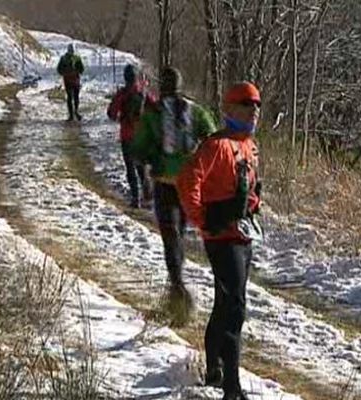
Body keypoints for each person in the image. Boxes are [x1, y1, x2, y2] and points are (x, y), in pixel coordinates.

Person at [177, 82, 263, 400]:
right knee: (235, 309)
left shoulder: (250, 145)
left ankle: (214, 368)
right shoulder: (217, 145)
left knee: (225, 303)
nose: (253, 110)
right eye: (246, 104)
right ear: (229, 109)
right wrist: (204, 221)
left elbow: (248, 189)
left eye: (256, 105)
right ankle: (232, 388)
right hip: (223, 238)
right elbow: (188, 181)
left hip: (242, 234)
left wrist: (253, 204)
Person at [130, 67, 216, 316]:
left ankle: (177, 289)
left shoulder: (153, 114)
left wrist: (148, 167)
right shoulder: (196, 111)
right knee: (179, 232)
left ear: (163, 86)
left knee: (171, 236)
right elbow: (212, 140)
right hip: (190, 185)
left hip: (164, 184)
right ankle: (177, 283)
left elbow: (137, 148)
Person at [107, 64, 156, 208]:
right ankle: (148, 195)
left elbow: (111, 113)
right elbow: (157, 106)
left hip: (126, 135)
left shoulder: (122, 94)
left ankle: (135, 198)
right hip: (142, 135)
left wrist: (119, 117)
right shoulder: (144, 92)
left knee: (130, 167)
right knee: (142, 166)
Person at [56, 43, 84, 121]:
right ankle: (74, 113)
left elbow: (81, 69)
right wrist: (71, 72)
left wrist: (67, 73)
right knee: (73, 97)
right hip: (72, 80)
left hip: (71, 80)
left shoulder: (67, 58)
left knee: (72, 97)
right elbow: (81, 69)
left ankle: (73, 113)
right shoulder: (69, 58)